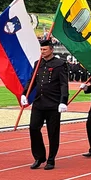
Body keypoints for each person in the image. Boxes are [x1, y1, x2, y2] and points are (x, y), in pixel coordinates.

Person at [21, 39, 69, 170]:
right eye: (41, 49)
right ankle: (39, 157)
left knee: (52, 133)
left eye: (45, 49)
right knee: (33, 128)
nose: (42, 52)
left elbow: (64, 84)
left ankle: (51, 159)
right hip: (39, 102)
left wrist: (63, 101)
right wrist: (24, 94)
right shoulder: (38, 64)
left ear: (51, 50)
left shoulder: (60, 64)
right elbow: (32, 81)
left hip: (53, 104)